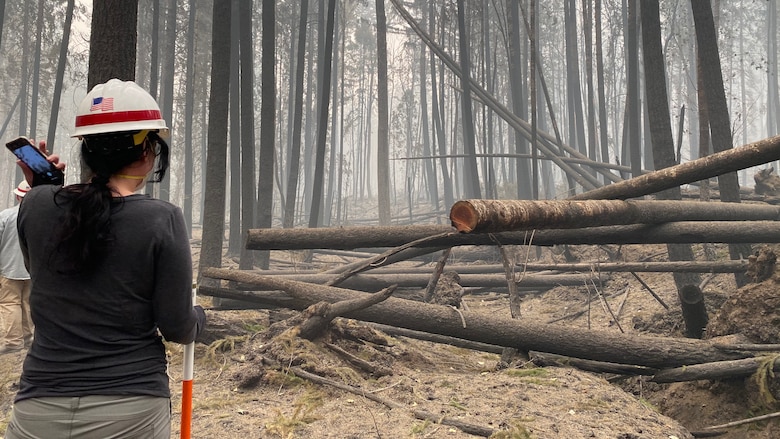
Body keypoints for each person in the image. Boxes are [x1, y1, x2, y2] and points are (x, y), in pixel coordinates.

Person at [4, 78, 206, 439]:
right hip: (132, 407)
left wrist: (43, 186)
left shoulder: (35, 206)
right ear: (146, 153)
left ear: (86, 151)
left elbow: (44, 272)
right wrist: (198, 318)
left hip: (39, 407)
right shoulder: (162, 219)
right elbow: (177, 327)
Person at [0, 181, 33, 355]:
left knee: (9, 303)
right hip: (31, 270)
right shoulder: (38, 216)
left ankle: (13, 342)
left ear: (17, 196)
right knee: (27, 303)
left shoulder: (6, 215)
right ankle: (28, 338)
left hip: (9, 269)